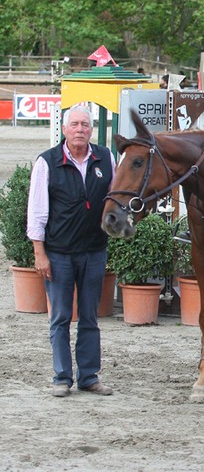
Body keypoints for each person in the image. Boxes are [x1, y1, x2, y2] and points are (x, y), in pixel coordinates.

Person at [27, 104, 115, 398]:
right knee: (61, 317)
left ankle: (89, 376)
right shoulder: (47, 162)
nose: (80, 129)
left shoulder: (106, 158)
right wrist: (40, 253)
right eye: (74, 124)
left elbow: (115, 199)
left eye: (85, 125)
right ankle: (62, 377)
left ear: (92, 130)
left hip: (94, 251)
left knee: (90, 317)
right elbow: (37, 212)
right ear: (64, 129)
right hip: (59, 254)